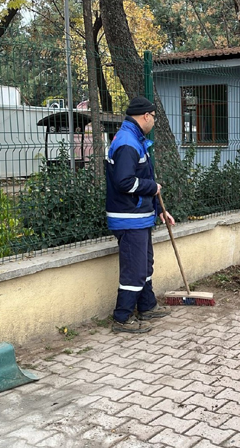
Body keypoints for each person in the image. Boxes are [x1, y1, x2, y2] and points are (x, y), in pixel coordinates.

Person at [106, 96, 174, 333]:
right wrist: (152, 188)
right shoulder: (127, 142)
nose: (154, 122)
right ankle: (122, 318)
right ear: (146, 116)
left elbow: (142, 180)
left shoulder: (134, 138)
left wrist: (159, 212)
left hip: (139, 216)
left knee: (144, 265)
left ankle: (146, 306)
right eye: (154, 118)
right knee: (134, 270)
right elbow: (125, 181)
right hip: (128, 218)